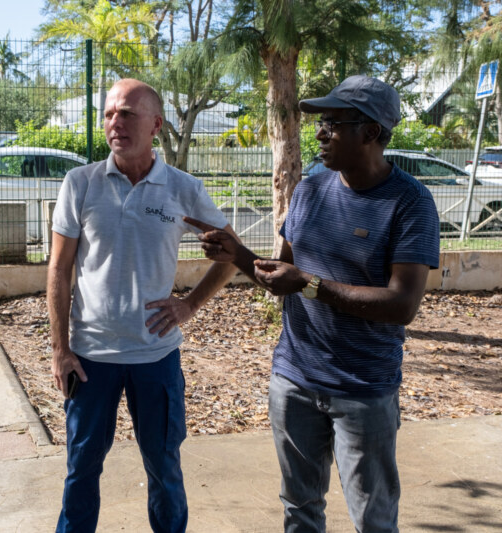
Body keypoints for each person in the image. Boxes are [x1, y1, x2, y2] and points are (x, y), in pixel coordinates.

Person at [186, 75, 440, 532]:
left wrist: (311, 285)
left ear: (372, 133)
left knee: (374, 518)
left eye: (333, 124)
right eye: (319, 124)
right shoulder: (310, 190)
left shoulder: (410, 203)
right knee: (299, 508)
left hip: (363, 389)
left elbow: (403, 304)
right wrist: (238, 254)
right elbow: (281, 277)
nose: (320, 134)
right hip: (294, 380)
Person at [48, 78, 239, 533]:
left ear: (155, 125)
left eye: (127, 114)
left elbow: (232, 253)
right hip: (91, 358)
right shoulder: (81, 183)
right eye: (110, 113)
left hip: (156, 356)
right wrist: (60, 349)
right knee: (81, 470)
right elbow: (59, 270)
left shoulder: (181, 188)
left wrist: (190, 305)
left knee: (164, 467)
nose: (116, 123)